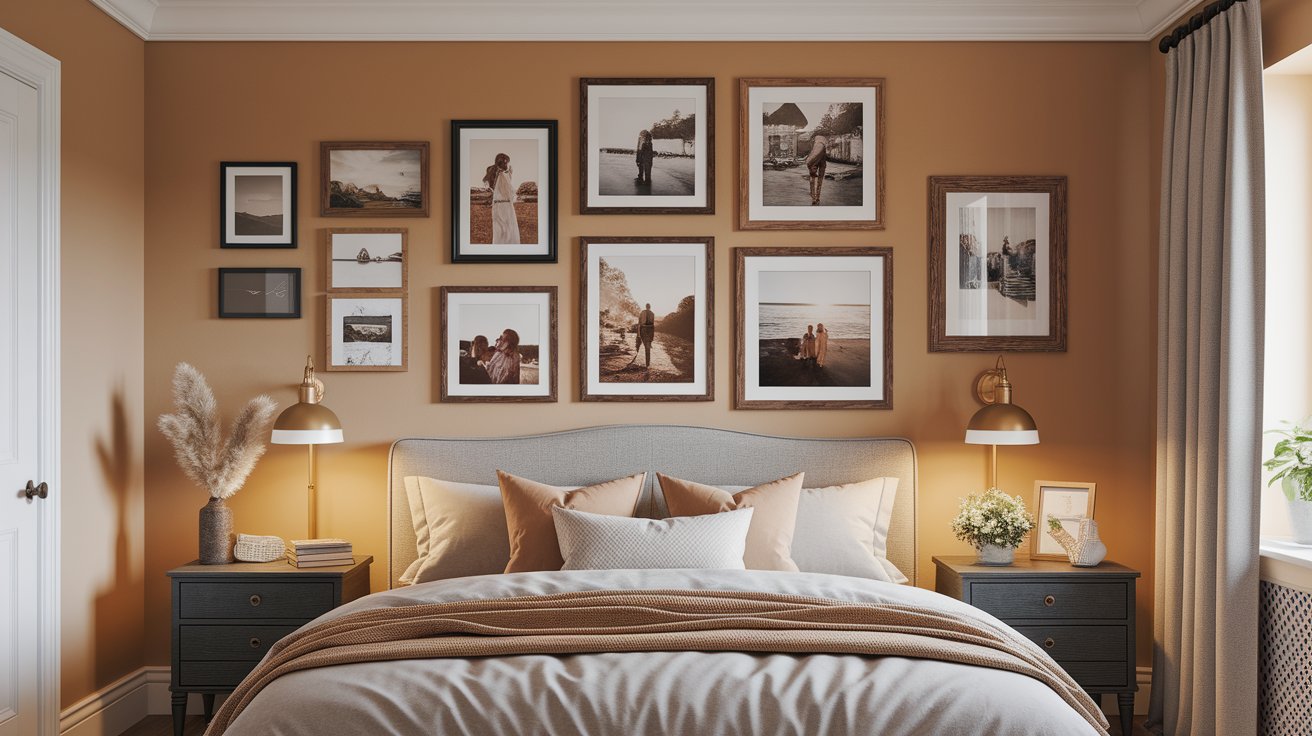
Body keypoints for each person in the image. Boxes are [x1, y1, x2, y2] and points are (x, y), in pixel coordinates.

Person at [483, 153, 521, 245]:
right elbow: (509, 191)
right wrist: (509, 174)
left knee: (498, 229)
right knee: (508, 228)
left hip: (496, 204)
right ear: (505, 162)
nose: (508, 164)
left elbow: (491, 187)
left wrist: (509, 175)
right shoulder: (502, 174)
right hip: (506, 204)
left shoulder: (492, 172)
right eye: (507, 162)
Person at [805, 134, 829, 206]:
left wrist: (808, 161)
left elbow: (813, 156)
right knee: (819, 181)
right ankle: (817, 198)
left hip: (815, 164)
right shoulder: (823, 143)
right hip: (822, 164)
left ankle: (814, 198)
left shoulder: (817, 144)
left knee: (813, 180)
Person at [635, 303, 656, 368]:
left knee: (642, 345)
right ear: (650, 307)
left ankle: (637, 356)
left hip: (643, 330)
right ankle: (647, 364)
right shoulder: (652, 314)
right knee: (647, 348)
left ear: (646, 307)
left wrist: (638, 334)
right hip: (649, 330)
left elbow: (639, 323)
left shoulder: (642, 312)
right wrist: (652, 337)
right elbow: (652, 326)